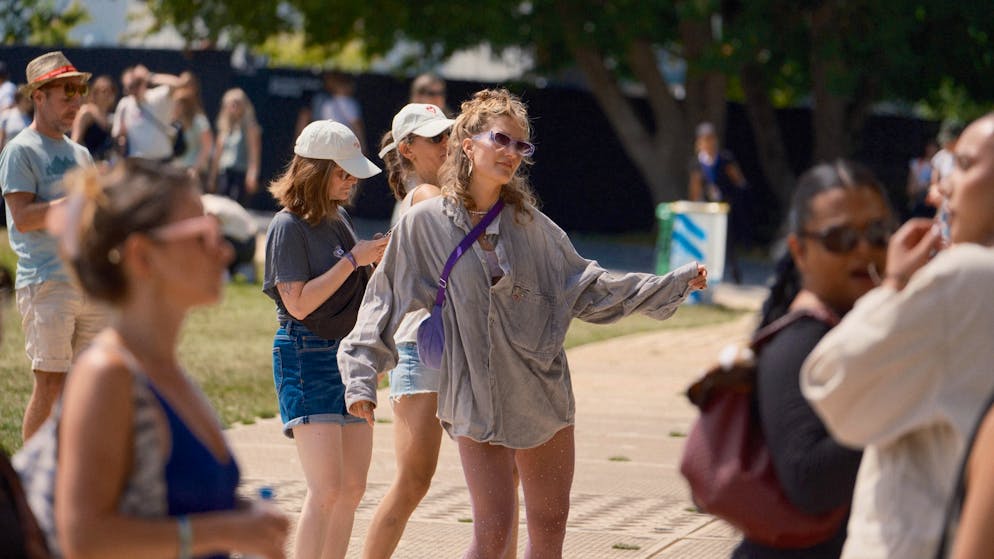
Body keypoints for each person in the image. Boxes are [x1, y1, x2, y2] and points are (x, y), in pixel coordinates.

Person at [339, 88, 707, 558]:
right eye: (502, 140)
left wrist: (670, 285)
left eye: (521, 145)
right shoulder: (424, 223)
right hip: (474, 396)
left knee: (549, 527)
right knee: (493, 531)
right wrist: (361, 378)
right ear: (467, 144)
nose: (512, 153)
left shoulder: (534, 227)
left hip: (542, 397)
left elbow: (589, 288)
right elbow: (383, 303)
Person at [11, 159, 289, 558]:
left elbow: (175, 504)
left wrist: (248, 518)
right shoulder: (107, 375)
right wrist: (225, 530)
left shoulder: (164, 371)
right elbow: (84, 539)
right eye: (202, 235)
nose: (224, 250)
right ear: (142, 255)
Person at [800, 114, 994, 559]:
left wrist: (892, 286)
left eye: (964, 165)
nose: (943, 187)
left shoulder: (966, 278)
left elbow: (831, 381)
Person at [732, 160, 892, 559]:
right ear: (799, 250)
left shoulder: (854, 327)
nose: (863, 250)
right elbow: (809, 479)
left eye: (876, 233)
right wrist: (906, 394)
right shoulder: (798, 343)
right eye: (839, 238)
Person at [262, 120, 389, 559]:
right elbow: (297, 304)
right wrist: (354, 260)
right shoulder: (287, 226)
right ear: (315, 171)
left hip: (347, 355)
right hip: (306, 354)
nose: (351, 180)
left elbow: (357, 286)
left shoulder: (338, 218)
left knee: (352, 487)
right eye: (343, 172)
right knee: (327, 489)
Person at [0, 51, 110, 442]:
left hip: (86, 282)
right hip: (45, 282)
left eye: (79, 91)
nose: (76, 101)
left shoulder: (80, 153)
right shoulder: (20, 150)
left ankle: (73, 478)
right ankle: (31, 483)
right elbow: (24, 218)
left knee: (90, 387)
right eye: (67, 93)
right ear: (39, 97)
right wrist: (77, 200)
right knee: (50, 385)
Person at [361, 103, 454, 558]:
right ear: (408, 151)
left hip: (454, 345)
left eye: (448, 134)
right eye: (435, 138)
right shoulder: (426, 198)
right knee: (413, 480)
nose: (447, 143)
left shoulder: (441, 192)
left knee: (505, 471)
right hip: (424, 346)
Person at [688, 121, 749, 283]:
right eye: (705, 139)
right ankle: (705, 275)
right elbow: (695, 188)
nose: (708, 142)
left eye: (711, 138)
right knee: (707, 242)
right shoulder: (697, 163)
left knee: (727, 241)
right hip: (707, 208)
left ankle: (734, 271)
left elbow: (738, 180)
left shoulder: (724, 158)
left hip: (724, 206)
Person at [112, 65, 188, 161]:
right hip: (138, 162)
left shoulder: (157, 96)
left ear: (144, 83)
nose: (134, 89)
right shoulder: (124, 104)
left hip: (162, 160)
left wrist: (150, 76)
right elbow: (117, 134)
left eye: (137, 84)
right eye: (130, 87)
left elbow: (178, 84)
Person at [210, 88, 261, 206]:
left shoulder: (250, 128)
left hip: (240, 173)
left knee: (237, 205)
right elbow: (218, 154)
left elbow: (254, 153)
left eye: (237, 104)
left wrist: (252, 174)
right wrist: (212, 177)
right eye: (231, 104)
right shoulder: (224, 128)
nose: (234, 107)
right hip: (225, 173)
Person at [295, 70, 365, 149]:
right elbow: (357, 126)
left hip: (332, 145)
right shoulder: (345, 104)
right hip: (340, 145)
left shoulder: (328, 104)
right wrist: (362, 146)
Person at [202, 193, 258, 282]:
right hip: (251, 243)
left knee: (209, 239)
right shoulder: (214, 200)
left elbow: (212, 235)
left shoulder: (206, 206)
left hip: (241, 245)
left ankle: (220, 273)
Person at [172, 72, 213, 180]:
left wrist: (195, 169)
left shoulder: (199, 120)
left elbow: (207, 147)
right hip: (177, 170)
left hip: (193, 173)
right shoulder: (175, 123)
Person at [70, 75, 118, 163]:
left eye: (111, 91)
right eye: (104, 91)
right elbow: (75, 142)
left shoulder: (112, 118)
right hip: (88, 167)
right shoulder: (86, 112)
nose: (108, 95)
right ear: (95, 94)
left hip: (106, 168)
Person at [907, 140, 938, 219]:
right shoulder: (917, 164)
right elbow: (911, 187)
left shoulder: (940, 164)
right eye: (930, 147)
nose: (931, 150)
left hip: (934, 203)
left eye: (934, 147)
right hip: (919, 201)